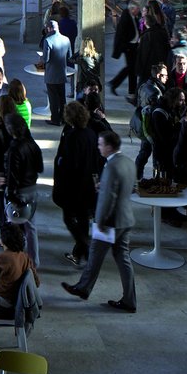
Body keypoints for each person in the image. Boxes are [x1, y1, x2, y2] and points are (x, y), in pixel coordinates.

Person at [61, 130, 137, 312]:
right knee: (123, 259)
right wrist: (105, 186)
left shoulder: (110, 166)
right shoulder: (127, 161)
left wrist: (100, 220)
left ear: (109, 147)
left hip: (110, 221)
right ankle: (129, 300)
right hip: (126, 219)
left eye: (100, 144)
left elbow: (107, 199)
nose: (98, 147)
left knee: (95, 254)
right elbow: (131, 187)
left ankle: (82, 288)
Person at [53, 100, 103, 267]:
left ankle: (85, 248)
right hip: (89, 184)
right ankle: (81, 252)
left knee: (68, 218)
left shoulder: (72, 136)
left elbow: (69, 164)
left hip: (75, 186)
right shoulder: (90, 134)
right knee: (83, 219)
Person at [0, 221, 40, 321]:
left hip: (0, 306)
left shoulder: (1, 258)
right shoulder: (24, 256)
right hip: (17, 305)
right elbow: (36, 282)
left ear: (3, 239)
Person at [3, 111, 43, 259]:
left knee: (12, 229)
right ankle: (34, 260)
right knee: (31, 228)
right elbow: (40, 168)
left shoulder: (14, 149)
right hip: (32, 189)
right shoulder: (32, 144)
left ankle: (13, 260)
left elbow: (12, 176)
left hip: (19, 192)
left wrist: (11, 195)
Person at [40, 20, 71, 125]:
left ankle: (55, 119)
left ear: (49, 28)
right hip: (62, 73)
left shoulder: (48, 40)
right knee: (62, 98)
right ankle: (64, 118)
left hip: (51, 74)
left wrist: (41, 57)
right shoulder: (66, 39)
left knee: (53, 98)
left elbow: (45, 59)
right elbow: (69, 56)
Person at [109, 0, 142, 98]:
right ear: (132, 9)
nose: (138, 11)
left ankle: (130, 89)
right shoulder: (126, 18)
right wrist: (124, 47)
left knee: (132, 68)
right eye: (137, 9)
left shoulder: (133, 16)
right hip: (129, 47)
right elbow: (121, 36)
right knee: (131, 68)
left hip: (134, 46)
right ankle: (116, 83)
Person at [72, 37, 103, 102]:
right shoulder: (98, 56)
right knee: (94, 104)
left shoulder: (81, 59)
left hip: (83, 85)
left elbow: (70, 59)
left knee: (79, 105)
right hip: (95, 84)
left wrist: (79, 52)